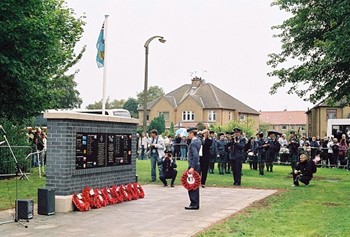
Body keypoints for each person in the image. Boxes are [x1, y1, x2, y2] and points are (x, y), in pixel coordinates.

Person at [185, 127, 201, 210]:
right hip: (197, 165)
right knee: (195, 184)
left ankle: (194, 203)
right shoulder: (198, 141)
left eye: (189, 133)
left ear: (191, 133)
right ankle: (195, 203)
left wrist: (192, 167)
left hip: (193, 165)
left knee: (191, 184)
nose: (188, 135)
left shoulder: (193, 143)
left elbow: (195, 156)